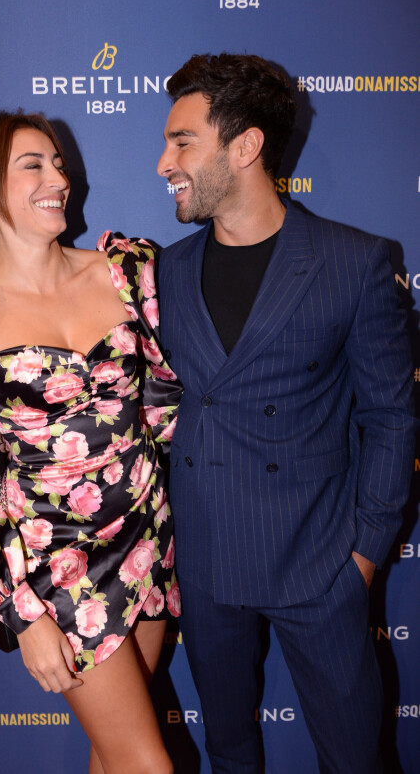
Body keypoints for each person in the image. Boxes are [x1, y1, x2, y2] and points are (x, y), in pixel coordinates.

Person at [156, 53, 416, 774]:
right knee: (229, 751)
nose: (162, 163)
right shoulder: (165, 271)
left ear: (245, 147)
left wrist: (362, 553)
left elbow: (392, 416)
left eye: (182, 142)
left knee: (355, 756)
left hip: (318, 559)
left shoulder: (354, 262)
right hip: (206, 564)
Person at [0, 110, 182, 774]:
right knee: (148, 763)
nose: (58, 177)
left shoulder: (129, 271)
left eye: (58, 162)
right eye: (34, 164)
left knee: (115, 753)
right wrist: (21, 612)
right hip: (57, 567)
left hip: (149, 539)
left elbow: (169, 401)